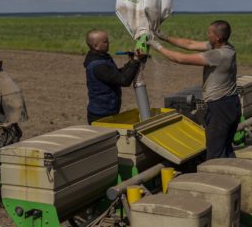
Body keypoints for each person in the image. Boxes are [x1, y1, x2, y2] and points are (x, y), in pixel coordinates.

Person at [149, 20, 240, 160]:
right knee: (226, 148)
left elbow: (181, 59)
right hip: (231, 103)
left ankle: (218, 179)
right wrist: (165, 37)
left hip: (219, 107)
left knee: (215, 153)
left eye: (209, 33)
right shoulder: (227, 47)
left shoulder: (218, 55)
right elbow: (189, 44)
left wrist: (157, 46)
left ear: (218, 37)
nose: (207, 34)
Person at [84, 29, 144, 124]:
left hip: (107, 111)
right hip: (101, 116)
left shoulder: (102, 58)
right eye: (105, 41)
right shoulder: (99, 66)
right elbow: (124, 81)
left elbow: (116, 75)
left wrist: (132, 61)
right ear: (96, 46)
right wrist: (136, 60)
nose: (109, 43)